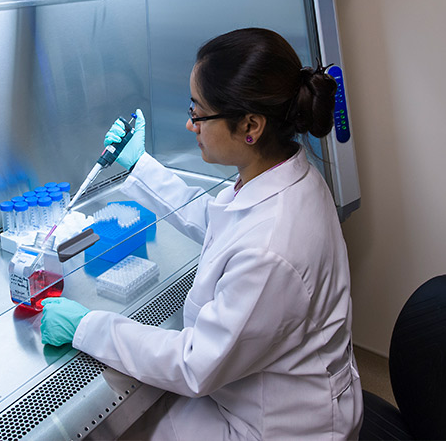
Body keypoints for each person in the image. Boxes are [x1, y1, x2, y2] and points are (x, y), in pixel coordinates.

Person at [39, 27, 362, 440]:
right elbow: (222, 222)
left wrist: (88, 327)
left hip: (275, 427)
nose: (190, 125)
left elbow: (195, 364)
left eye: (198, 112)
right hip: (265, 393)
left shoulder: (272, 249)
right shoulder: (287, 173)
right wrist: (140, 165)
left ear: (251, 125)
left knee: (117, 425)